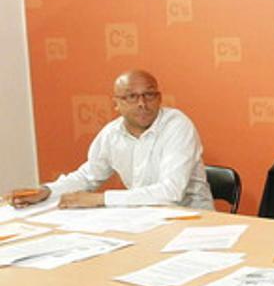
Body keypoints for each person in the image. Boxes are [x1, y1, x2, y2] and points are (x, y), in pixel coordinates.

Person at [6, 69, 214, 210]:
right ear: (116, 103)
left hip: (192, 220)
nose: (142, 103)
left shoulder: (177, 125)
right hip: (143, 219)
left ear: (159, 98)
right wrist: (47, 191)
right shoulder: (111, 133)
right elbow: (88, 176)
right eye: (131, 96)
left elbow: (171, 192)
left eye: (149, 95)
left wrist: (101, 200)